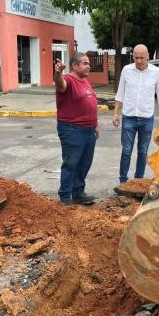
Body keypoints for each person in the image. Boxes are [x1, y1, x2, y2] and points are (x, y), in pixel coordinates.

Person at [113, 44, 159, 183]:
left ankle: (138, 181)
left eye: (142, 58)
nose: (139, 61)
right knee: (126, 151)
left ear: (148, 56)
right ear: (133, 57)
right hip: (129, 117)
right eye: (136, 58)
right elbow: (120, 94)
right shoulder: (126, 70)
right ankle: (123, 181)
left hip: (146, 119)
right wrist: (115, 114)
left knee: (142, 152)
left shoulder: (156, 72)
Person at [54, 53, 100, 205]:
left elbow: (91, 102)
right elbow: (60, 84)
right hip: (72, 129)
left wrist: (96, 124)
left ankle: (78, 192)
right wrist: (58, 72)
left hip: (89, 130)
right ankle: (65, 196)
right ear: (75, 66)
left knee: (84, 163)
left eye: (88, 63)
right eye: (85, 63)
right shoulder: (68, 80)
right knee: (71, 163)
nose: (88, 66)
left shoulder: (85, 81)